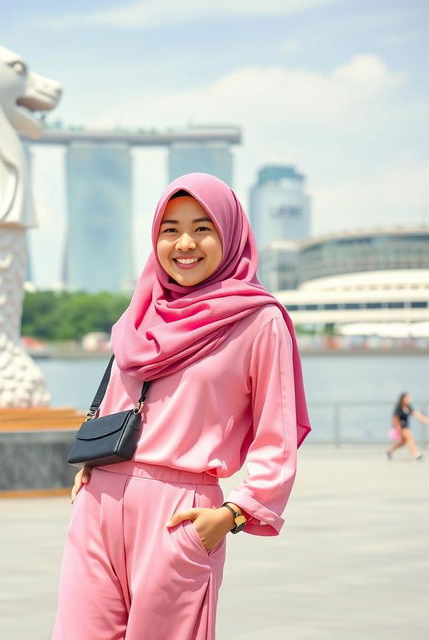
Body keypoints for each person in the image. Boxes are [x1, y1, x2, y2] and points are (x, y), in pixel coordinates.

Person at [52, 173, 311, 640]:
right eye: (169, 229)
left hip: (179, 514)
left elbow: (279, 430)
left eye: (202, 227)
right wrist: (91, 466)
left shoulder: (258, 320)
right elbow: (118, 398)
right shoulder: (142, 311)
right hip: (99, 501)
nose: (184, 243)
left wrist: (234, 513)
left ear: (230, 235)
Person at [387, 392, 428, 461]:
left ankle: (390, 451)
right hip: (401, 427)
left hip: (406, 426)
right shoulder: (399, 407)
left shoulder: (408, 406)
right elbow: (395, 419)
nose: (409, 399)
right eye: (407, 398)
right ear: (403, 398)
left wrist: (424, 419)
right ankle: (416, 455)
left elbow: (415, 414)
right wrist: (397, 429)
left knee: (403, 442)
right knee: (410, 438)